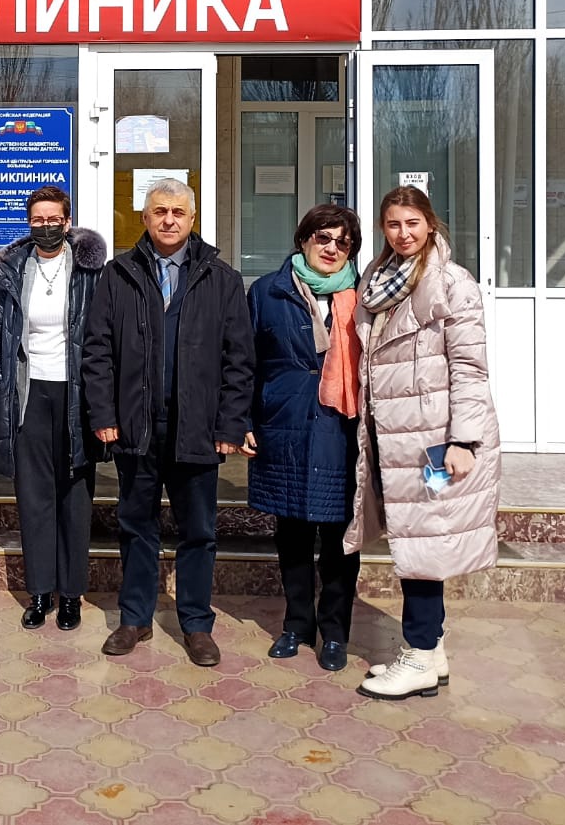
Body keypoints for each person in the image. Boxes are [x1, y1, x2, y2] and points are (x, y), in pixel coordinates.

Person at [83, 178, 254, 667]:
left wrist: (230, 424)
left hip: (196, 428)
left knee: (198, 531)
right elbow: (97, 350)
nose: (169, 220)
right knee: (136, 525)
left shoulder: (221, 279)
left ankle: (196, 624)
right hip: (137, 426)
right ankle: (134, 618)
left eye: (178, 212)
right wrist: (104, 413)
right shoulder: (118, 275)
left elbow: (239, 360)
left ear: (192, 219)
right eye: (160, 211)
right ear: (145, 217)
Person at [350, 186, 500, 700]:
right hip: (395, 435)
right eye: (394, 224)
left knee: (423, 546)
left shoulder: (453, 283)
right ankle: (431, 652)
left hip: (434, 441)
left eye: (412, 223)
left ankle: (417, 654)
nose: (403, 233)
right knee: (419, 542)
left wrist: (464, 440)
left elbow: (470, 367)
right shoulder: (376, 279)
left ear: (430, 224)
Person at [245, 205, 364, 673]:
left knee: (339, 540)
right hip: (285, 426)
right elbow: (246, 363)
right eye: (323, 238)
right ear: (303, 240)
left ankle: (334, 633)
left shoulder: (364, 296)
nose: (332, 248)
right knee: (292, 535)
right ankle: (296, 625)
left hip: (341, 431)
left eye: (343, 242)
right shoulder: (267, 292)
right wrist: (242, 420)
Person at [0, 185, 106, 632]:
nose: (46, 226)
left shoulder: (91, 272)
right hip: (29, 394)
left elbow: (104, 338)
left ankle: (71, 595)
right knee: (34, 497)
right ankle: (40, 592)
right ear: (28, 223)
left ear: (67, 222)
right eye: (38, 219)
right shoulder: (14, 270)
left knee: (75, 496)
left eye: (54, 219)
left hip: (77, 395)